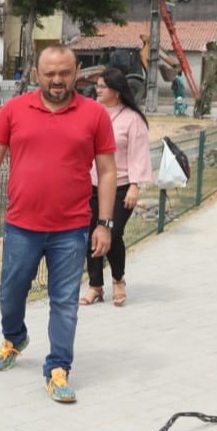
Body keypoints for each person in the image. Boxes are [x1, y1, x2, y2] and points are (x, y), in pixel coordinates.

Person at [0, 46, 116, 404]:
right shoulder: (14, 109)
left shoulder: (95, 115)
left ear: (77, 72)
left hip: (71, 228)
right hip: (22, 226)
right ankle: (15, 336)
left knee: (65, 301)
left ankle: (58, 368)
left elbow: (108, 171)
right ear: (37, 73)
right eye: (50, 73)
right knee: (10, 294)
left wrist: (105, 223)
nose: (57, 80)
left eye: (64, 73)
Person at [79, 68, 151, 308]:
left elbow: (139, 154)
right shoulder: (92, 113)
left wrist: (134, 186)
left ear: (117, 92)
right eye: (97, 86)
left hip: (120, 188)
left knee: (112, 231)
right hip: (92, 186)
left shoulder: (133, 119)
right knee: (92, 234)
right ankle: (95, 285)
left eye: (103, 87)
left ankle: (118, 279)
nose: (97, 90)